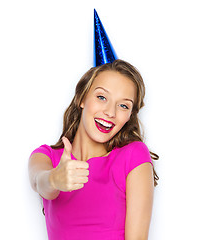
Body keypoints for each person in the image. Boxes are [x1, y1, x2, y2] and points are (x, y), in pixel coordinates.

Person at [28, 59, 159, 240]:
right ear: (82, 98)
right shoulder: (47, 157)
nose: (110, 112)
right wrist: (54, 179)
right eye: (102, 97)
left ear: (129, 116)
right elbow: (38, 182)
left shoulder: (133, 156)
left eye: (123, 105)